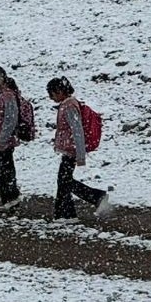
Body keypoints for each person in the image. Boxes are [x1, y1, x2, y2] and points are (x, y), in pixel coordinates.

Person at [47, 76, 109, 220]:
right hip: (70, 149)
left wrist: (80, 154)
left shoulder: (69, 105)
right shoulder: (68, 104)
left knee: (65, 181)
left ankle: (94, 198)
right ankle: (65, 214)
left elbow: (77, 130)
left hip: (71, 150)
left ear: (60, 91)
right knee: (64, 181)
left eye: (52, 94)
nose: (51, 97)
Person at [0, 66, 23, 211]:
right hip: (5, 139)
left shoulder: (7, 95)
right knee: (6, 169)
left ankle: (10, 196)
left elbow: (10, 119)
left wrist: (2, 139)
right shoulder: (6, 94)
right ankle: (10, 199)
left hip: (3, 141)